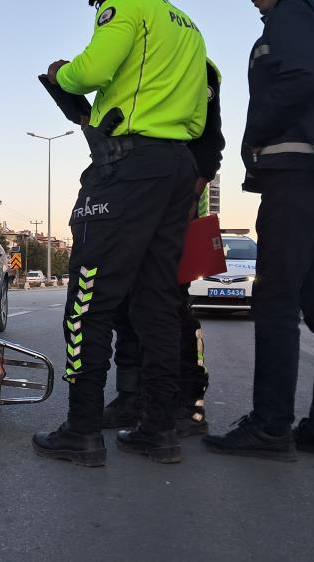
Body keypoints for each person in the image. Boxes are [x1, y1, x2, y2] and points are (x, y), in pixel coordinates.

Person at [32, 0, 208, 466]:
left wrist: (62, 73)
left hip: (127, 168)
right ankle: (158, 428)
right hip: (176, 167)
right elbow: (199, 112)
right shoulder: (188, 26)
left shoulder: (125, 3)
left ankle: (82, 429)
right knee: (157, 303)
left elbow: (92, 71)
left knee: (88, 301)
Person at [203, 0, 314, 462]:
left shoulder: (293, 10)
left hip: (301, 171)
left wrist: (253, 135)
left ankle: (271, 426)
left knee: (276, 301)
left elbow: (301, 76)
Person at [105, 59, 226, 438]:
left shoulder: (195, 63)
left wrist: (192, 192)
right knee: (125, 304)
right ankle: (132, 396)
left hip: (176, 205)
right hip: (131, 199)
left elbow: (210, 140)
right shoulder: (128, 59)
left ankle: (188, 404)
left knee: (170, 306)